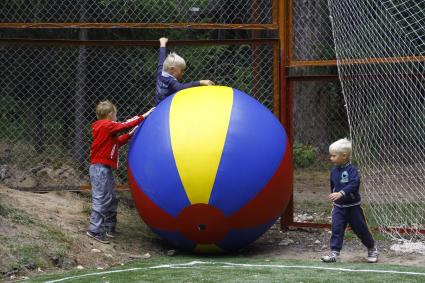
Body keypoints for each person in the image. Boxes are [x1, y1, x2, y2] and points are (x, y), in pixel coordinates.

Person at [86, 100, 154, 244]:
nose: (117, 116)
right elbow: (125, 124)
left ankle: (107, 228)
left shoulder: (106, 130)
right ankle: (94, 230)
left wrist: (130, 134)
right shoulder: (106, 125)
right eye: (115, 114)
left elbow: (117, 143)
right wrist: (144, 116)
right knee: (101, 198)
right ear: (110, 114)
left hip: (104, 168)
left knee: (110, 197)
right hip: (99, 169)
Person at [321, 138, 378, 263]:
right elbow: (333, 185)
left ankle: (372, 248)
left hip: (353, 207)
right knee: (337, 228)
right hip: (338, 207)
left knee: (361, 229)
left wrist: (341, 193)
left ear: (344, 156)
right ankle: (334, 252)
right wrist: (334, 194)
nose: (331, 158)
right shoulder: (334, 170)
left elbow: (354, 183)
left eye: (333, 156)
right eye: (330, 155)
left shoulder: (352, 170)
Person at [155, 37, 214, 104]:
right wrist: (200, 82)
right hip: (167, 108)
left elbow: (161, 58)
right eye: (182, 70)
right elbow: (181, 87)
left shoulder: (160, 71)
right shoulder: (170, 81)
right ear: (172, 69)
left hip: (158, 106)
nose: (183, 73)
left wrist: (162, 44)